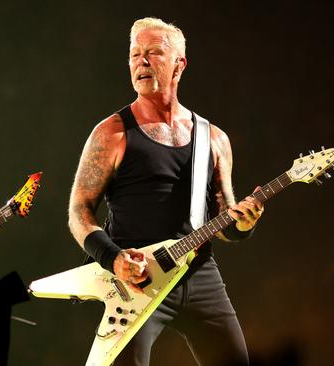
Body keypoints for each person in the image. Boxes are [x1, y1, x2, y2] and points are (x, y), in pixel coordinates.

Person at [68, 17, 264, 366]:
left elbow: (226, 219)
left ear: (179, 64)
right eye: (134, 54)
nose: (141, 61)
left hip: (200, 275)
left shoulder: (213, 139)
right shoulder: (111, 133)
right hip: (137, 281)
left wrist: (244, 225)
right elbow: (79, 212)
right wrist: (113, 258)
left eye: (154, 52)